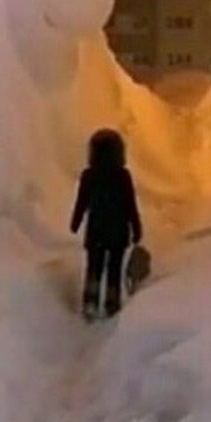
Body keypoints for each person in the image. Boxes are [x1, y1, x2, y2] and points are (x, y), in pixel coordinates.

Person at [70, 129, 142, 319]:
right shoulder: (122, 176)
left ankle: (90, 301)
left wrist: (75, 222)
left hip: (96, 232)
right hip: (118, 232)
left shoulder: (89, 175)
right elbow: (130, 204)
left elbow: (82, 202)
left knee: (94, 268)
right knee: (114, 270)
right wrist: (136, 227)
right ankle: (112, 302)